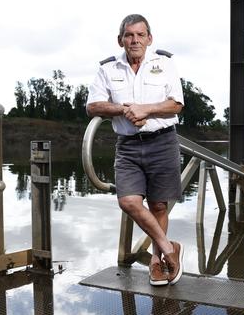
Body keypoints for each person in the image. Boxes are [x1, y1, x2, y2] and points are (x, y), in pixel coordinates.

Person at [86, 14, 184, 286]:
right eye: (129, 35)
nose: (135, 40)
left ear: (149, 39)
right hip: (128, 146)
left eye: (140, 35)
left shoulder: (164, 64)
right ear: (121, 40)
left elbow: (176, 104)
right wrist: (126, 109)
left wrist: (146, 109)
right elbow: (93, 106)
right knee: (128, 201)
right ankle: (167, 248)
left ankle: (156, 262)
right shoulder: (108, 69)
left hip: (162, 142)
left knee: (158, 205)